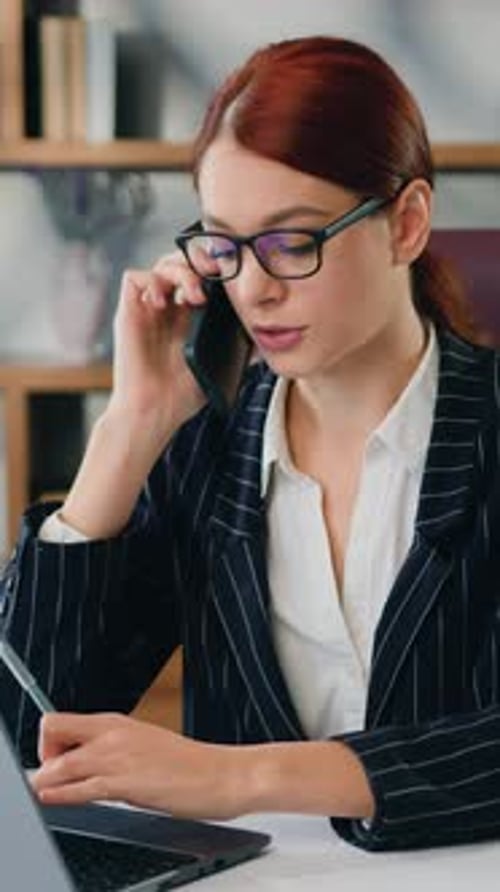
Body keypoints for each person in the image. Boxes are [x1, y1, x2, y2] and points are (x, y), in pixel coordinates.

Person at [0, 35, 499, 853]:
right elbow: (23, 733)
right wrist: (128, 428)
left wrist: (239, 777)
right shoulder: (207, 450)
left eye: (293, 240)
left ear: (406, 224)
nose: (254, 287)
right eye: (225, 244)